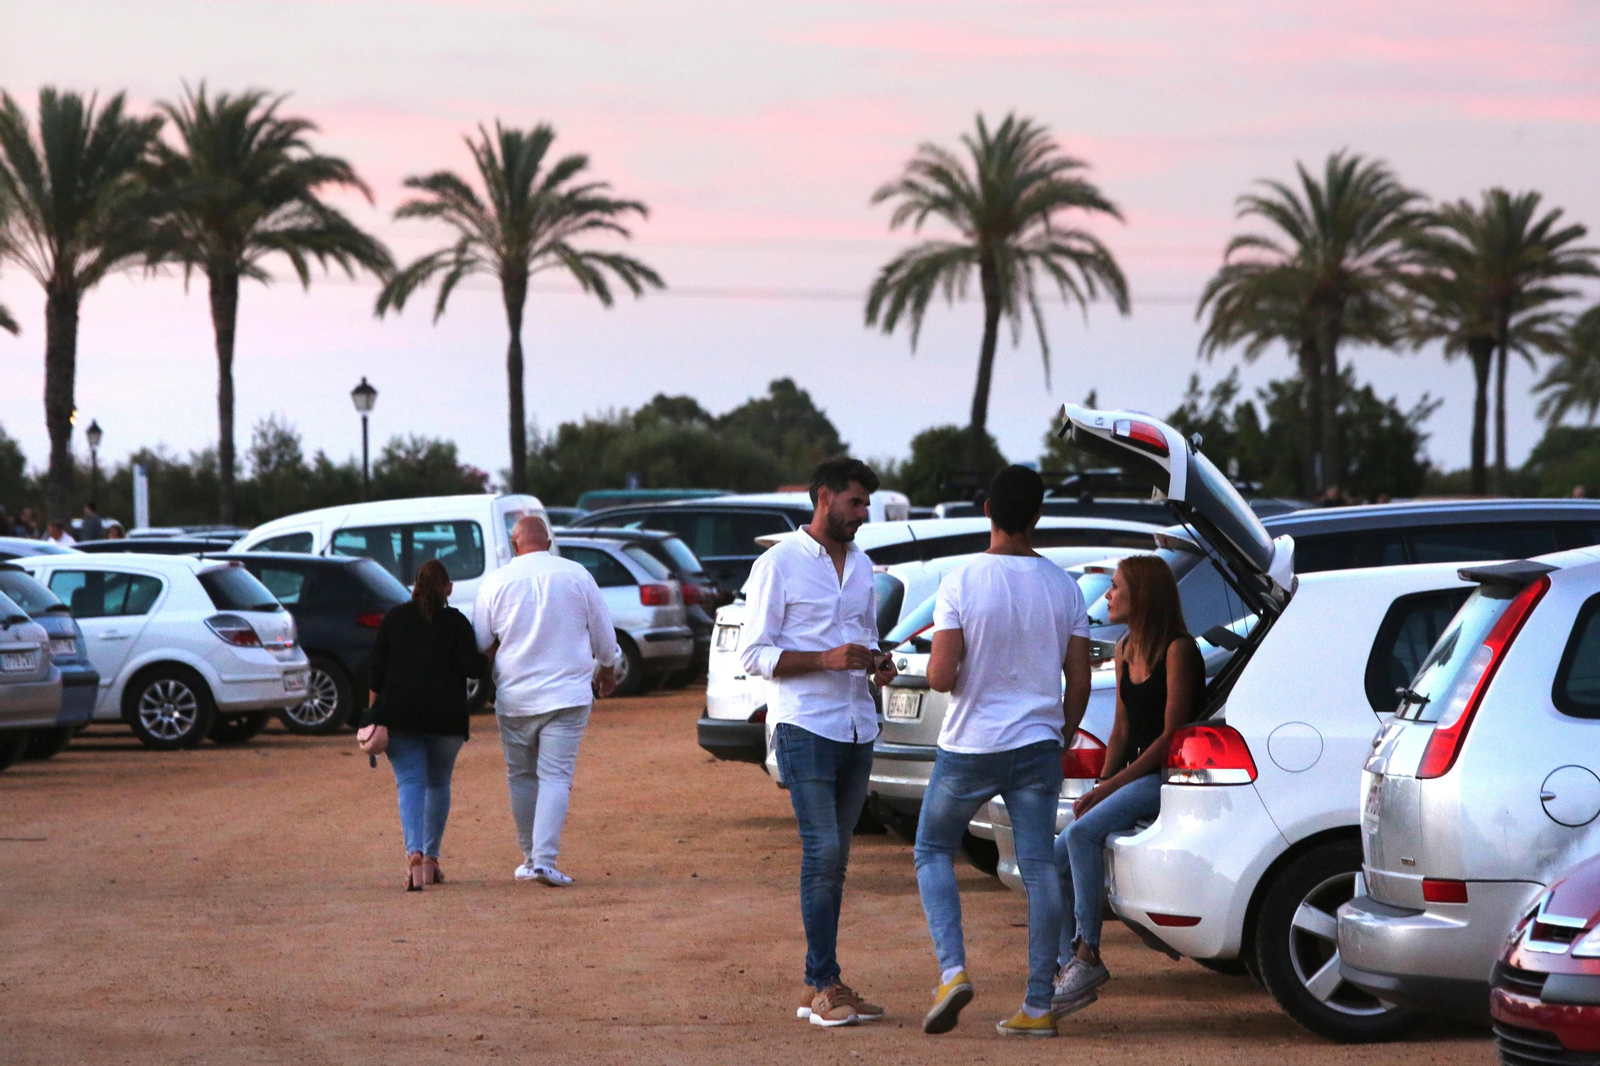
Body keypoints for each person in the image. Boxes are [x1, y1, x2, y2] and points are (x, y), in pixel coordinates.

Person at [914, 465, 1091, 1038]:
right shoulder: (1064, 586)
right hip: (1038, 743)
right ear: (1037, 517)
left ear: (987, 510)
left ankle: (952, 971)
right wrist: (1060, 733)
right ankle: (1038, 1005)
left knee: (933, 848)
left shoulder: (961, 580)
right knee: (1040, 869)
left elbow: (940, 678)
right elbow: (1080, 679)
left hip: (970, 744)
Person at [740, 457, 898, 1029]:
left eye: (867, 505)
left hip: (858, 723)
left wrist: (877, 663)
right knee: (823, 852)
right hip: (805, 725)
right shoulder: (777, 563)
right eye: (856, 502)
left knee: (838, 858)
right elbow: (753, 655)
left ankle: (820, 986)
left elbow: (865, 638)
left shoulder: (861, 564)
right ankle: (826, 981)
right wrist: (824, 660)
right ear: (825, 497)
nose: (863, 514)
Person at [1051, 555, 1204, 1011]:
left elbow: (1170, 737)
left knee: (1080, 835)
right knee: (1052, 858)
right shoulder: (1124, 648)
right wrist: (1100, 786)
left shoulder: (1178, 649)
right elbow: (1119, 729)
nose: (1109, 596)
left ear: (1143, 596)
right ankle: (1064, 967)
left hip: (1165, 776)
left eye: (1116, 587)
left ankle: (1088, 951)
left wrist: (1110, 787)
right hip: (1131, 775)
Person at [473, 515, 619, 888]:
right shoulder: (576, 575)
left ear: (514, 543)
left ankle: (529, 859)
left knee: (521, 777)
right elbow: (604, 637)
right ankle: (546, 861)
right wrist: (606, 670)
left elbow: (480, 643)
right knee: (555, 777)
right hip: (567, 696)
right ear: (549, 541)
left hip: (515, 697)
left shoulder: (496, 581)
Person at [362, 559, 489, 891]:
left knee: (410, 784)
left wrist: (373, 713)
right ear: (448, 589)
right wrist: (494, 649)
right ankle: (432, 859)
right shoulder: (456, 622)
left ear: (414, 586)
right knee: (438, 785)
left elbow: (375, 672)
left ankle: (414, 854)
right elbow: (474, 668)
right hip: (446, 719)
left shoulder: (395, 619)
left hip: (399, 716)